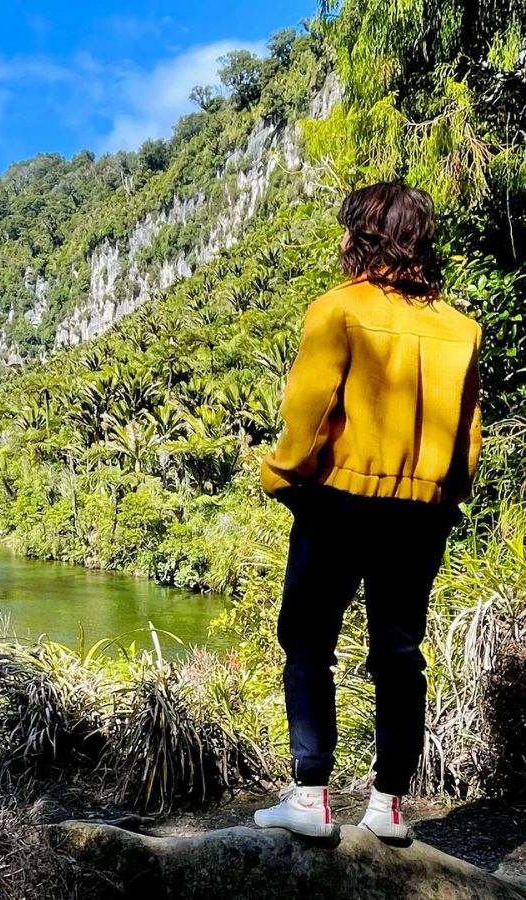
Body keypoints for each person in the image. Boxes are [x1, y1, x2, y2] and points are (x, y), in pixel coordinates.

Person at [252, 181, 482, 840]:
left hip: (340, 503)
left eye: (350, 229)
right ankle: (388, 808)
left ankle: (311, 798)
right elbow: (469, 440)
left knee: (307, 642)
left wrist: (283, 477)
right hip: (422, 511)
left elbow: (312, 415)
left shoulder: (338, 310)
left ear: (363, 236)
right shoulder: (460, 328)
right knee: (400, 653)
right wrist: (441, 497)